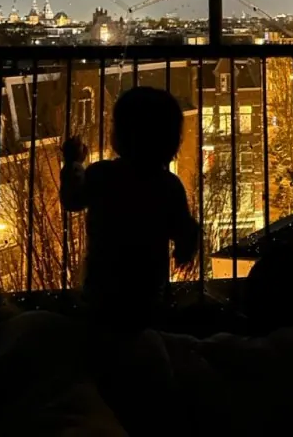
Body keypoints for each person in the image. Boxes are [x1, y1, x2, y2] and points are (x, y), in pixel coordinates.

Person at [60, 86, 199, 325]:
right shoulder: (168, 185)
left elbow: (72, 200)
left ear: (121, 135)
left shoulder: (102, 175)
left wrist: (73, 162)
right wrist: (186, 247)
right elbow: (183, 228)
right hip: (148, 286)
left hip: (102, 285)